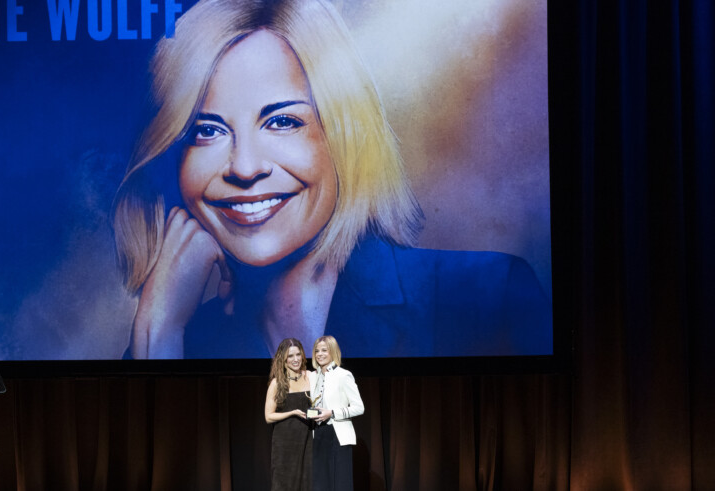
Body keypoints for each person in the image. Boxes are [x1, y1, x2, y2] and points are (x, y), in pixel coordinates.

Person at [113, 0, 552, 359]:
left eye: (282, 122)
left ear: (345, 136)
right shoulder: (178, 336)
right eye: (206, 131)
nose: (244, 168)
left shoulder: (488, 301)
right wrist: (159, 333)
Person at [309, 335, 363, 491]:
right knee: (320, 483)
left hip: (338, 433)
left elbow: (359, 407)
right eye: (317, 350)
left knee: (340, 483)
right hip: (318, 433)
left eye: (324, 350)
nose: (320, 354)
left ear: (332, 351)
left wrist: (332, 413)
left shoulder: (343, 375)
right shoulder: (312, 376)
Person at [264, 338, 314, 490]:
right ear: (283, 359)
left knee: (308, 480)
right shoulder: (277, 383)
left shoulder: (310, 376)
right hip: (285, 441)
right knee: (285, 482)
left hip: (308, 438)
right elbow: (268, 416)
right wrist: (292, 413)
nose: (296, 359)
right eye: (291, 356)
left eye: (298, 354)